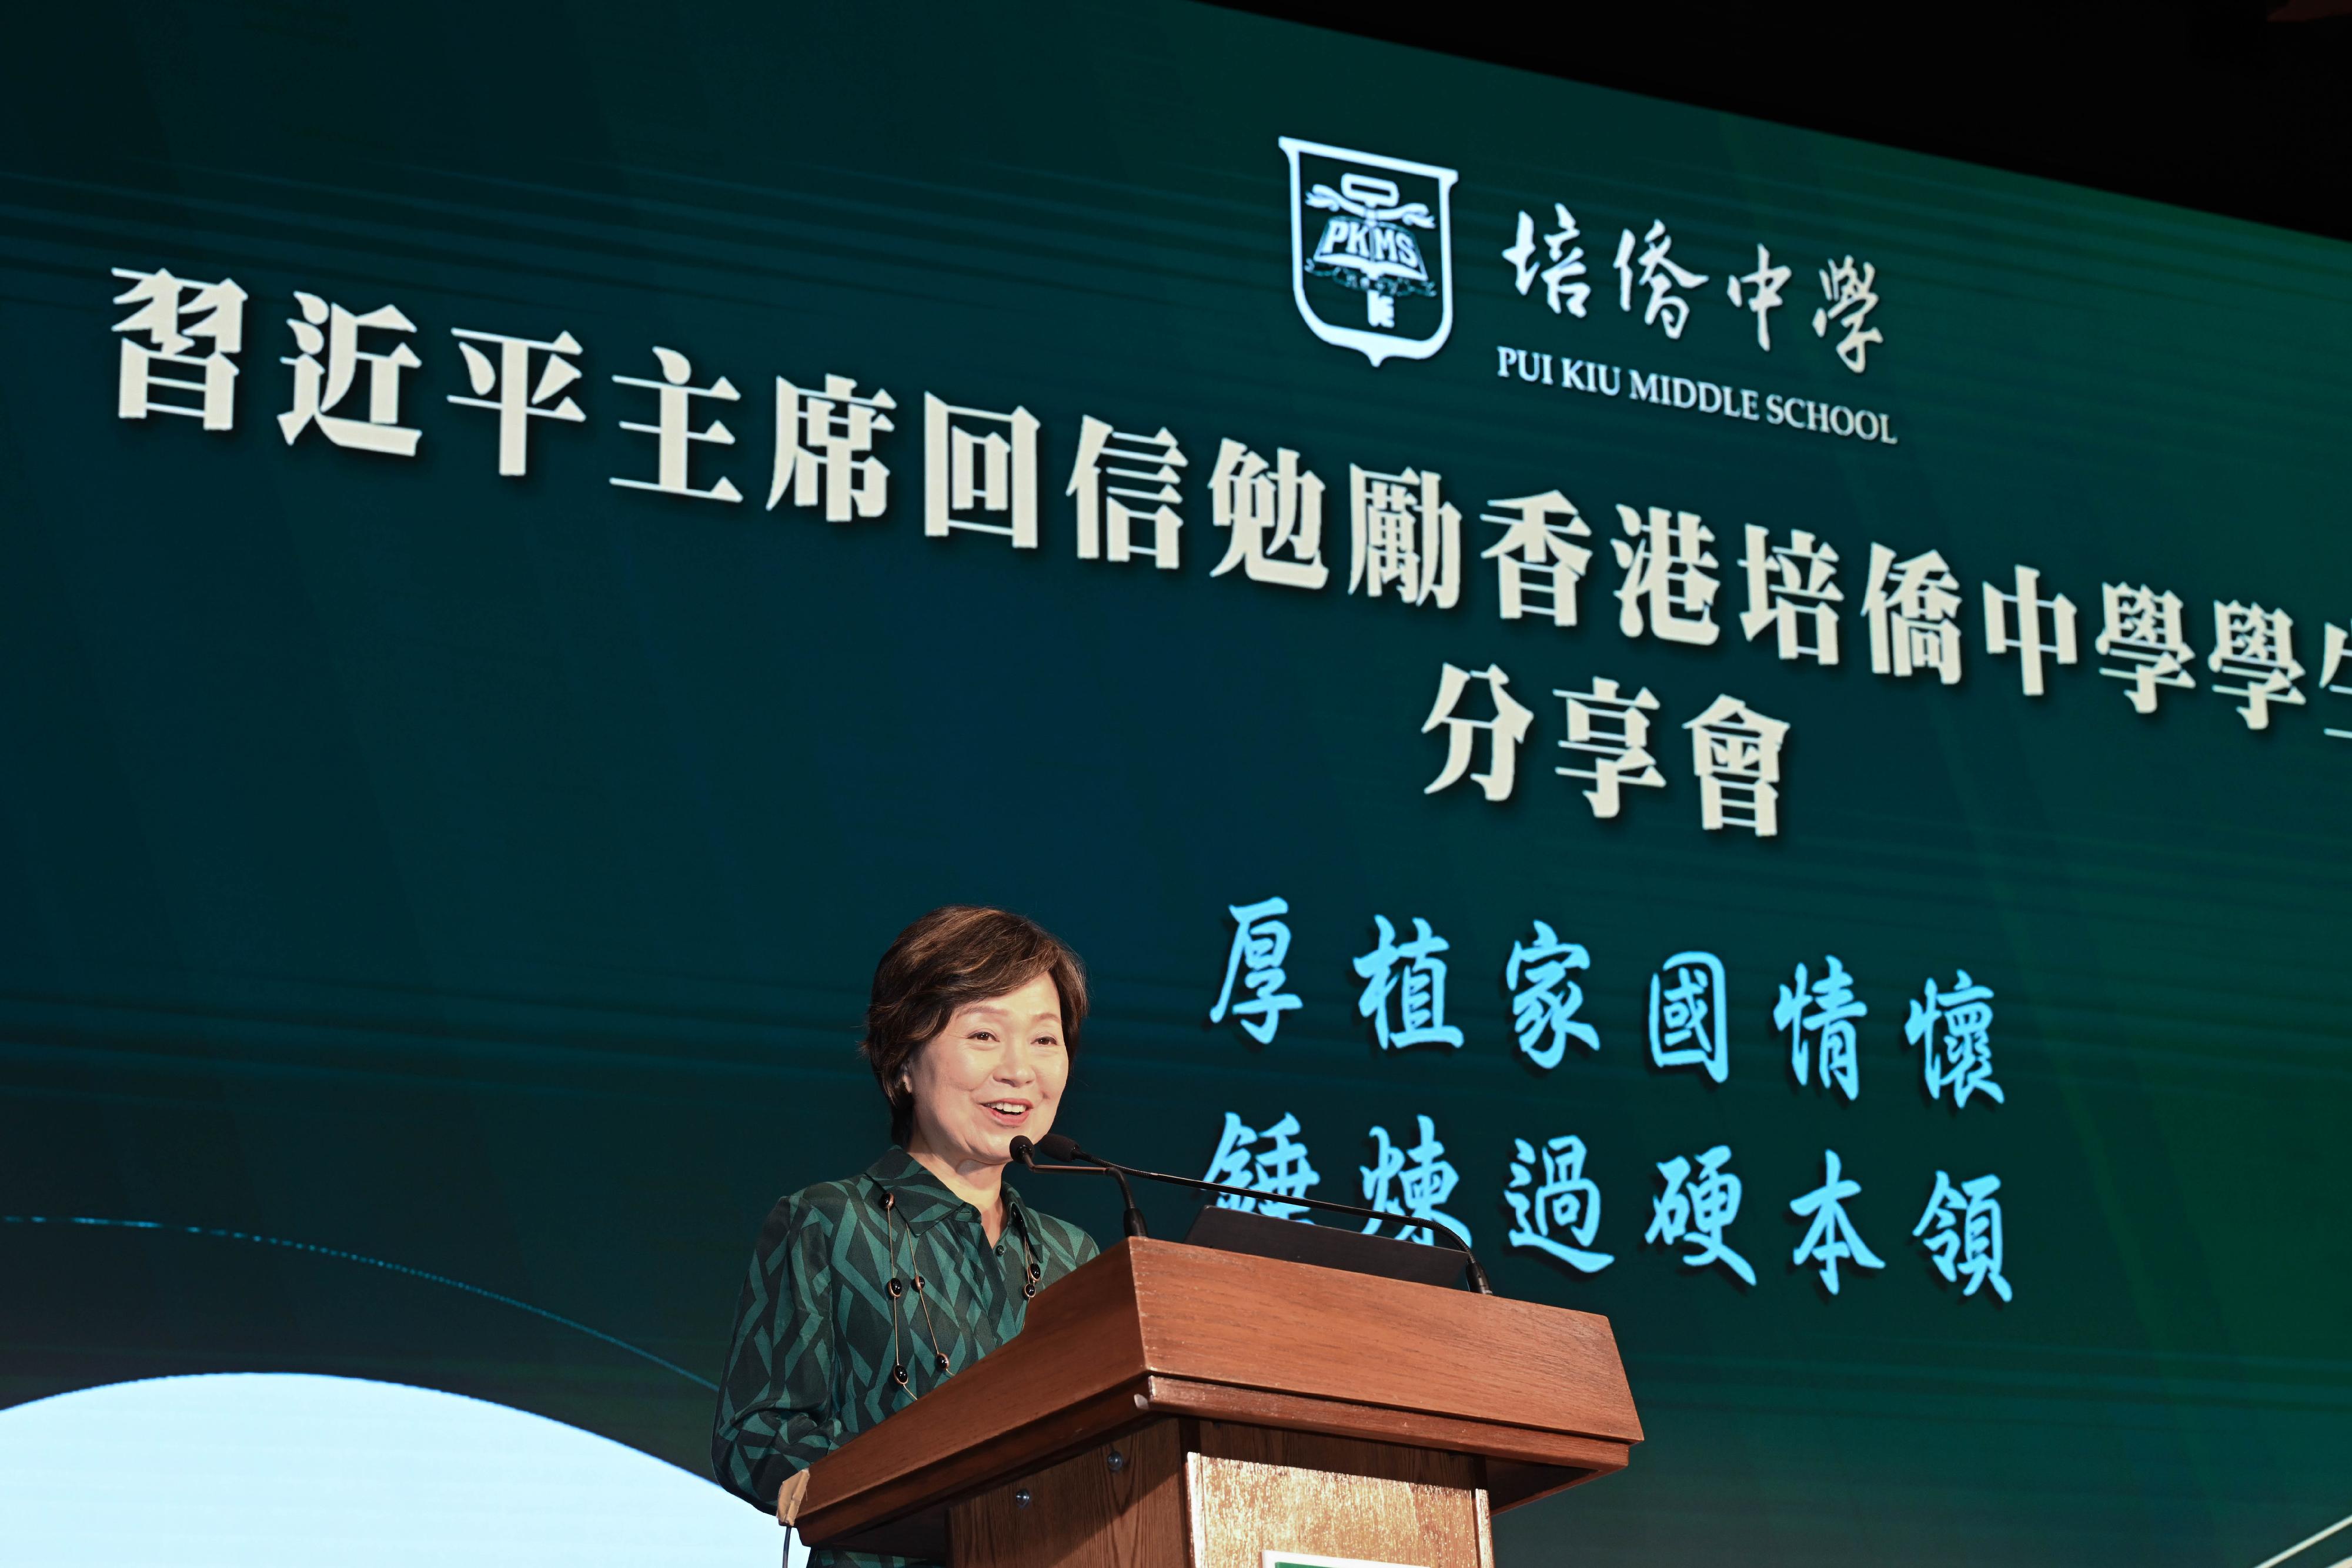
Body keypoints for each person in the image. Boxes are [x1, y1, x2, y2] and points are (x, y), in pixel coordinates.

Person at [712, 905, 1101, 1567]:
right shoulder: (828, 1222)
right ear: (902, 1064)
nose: (1019, 1070)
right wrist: (844, 1483)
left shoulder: (1074, 1255)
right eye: (983, 1036)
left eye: (1044, 1039)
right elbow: (755, 1429)